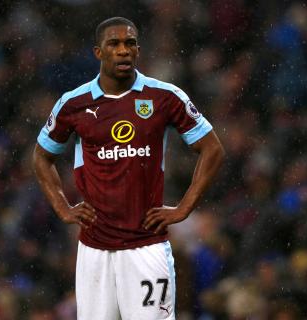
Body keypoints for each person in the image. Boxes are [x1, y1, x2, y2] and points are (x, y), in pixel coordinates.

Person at [32, 16, 225, 320]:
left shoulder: (164, 96)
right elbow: (42, 156)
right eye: (114, 44)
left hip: (146, 245)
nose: (123, 50)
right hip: (94, 248)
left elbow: (212, 148)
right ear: (98, 52)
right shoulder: (73, 104)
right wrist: (63, 207)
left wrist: (184, 208)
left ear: (138, 50)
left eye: (130, 43)